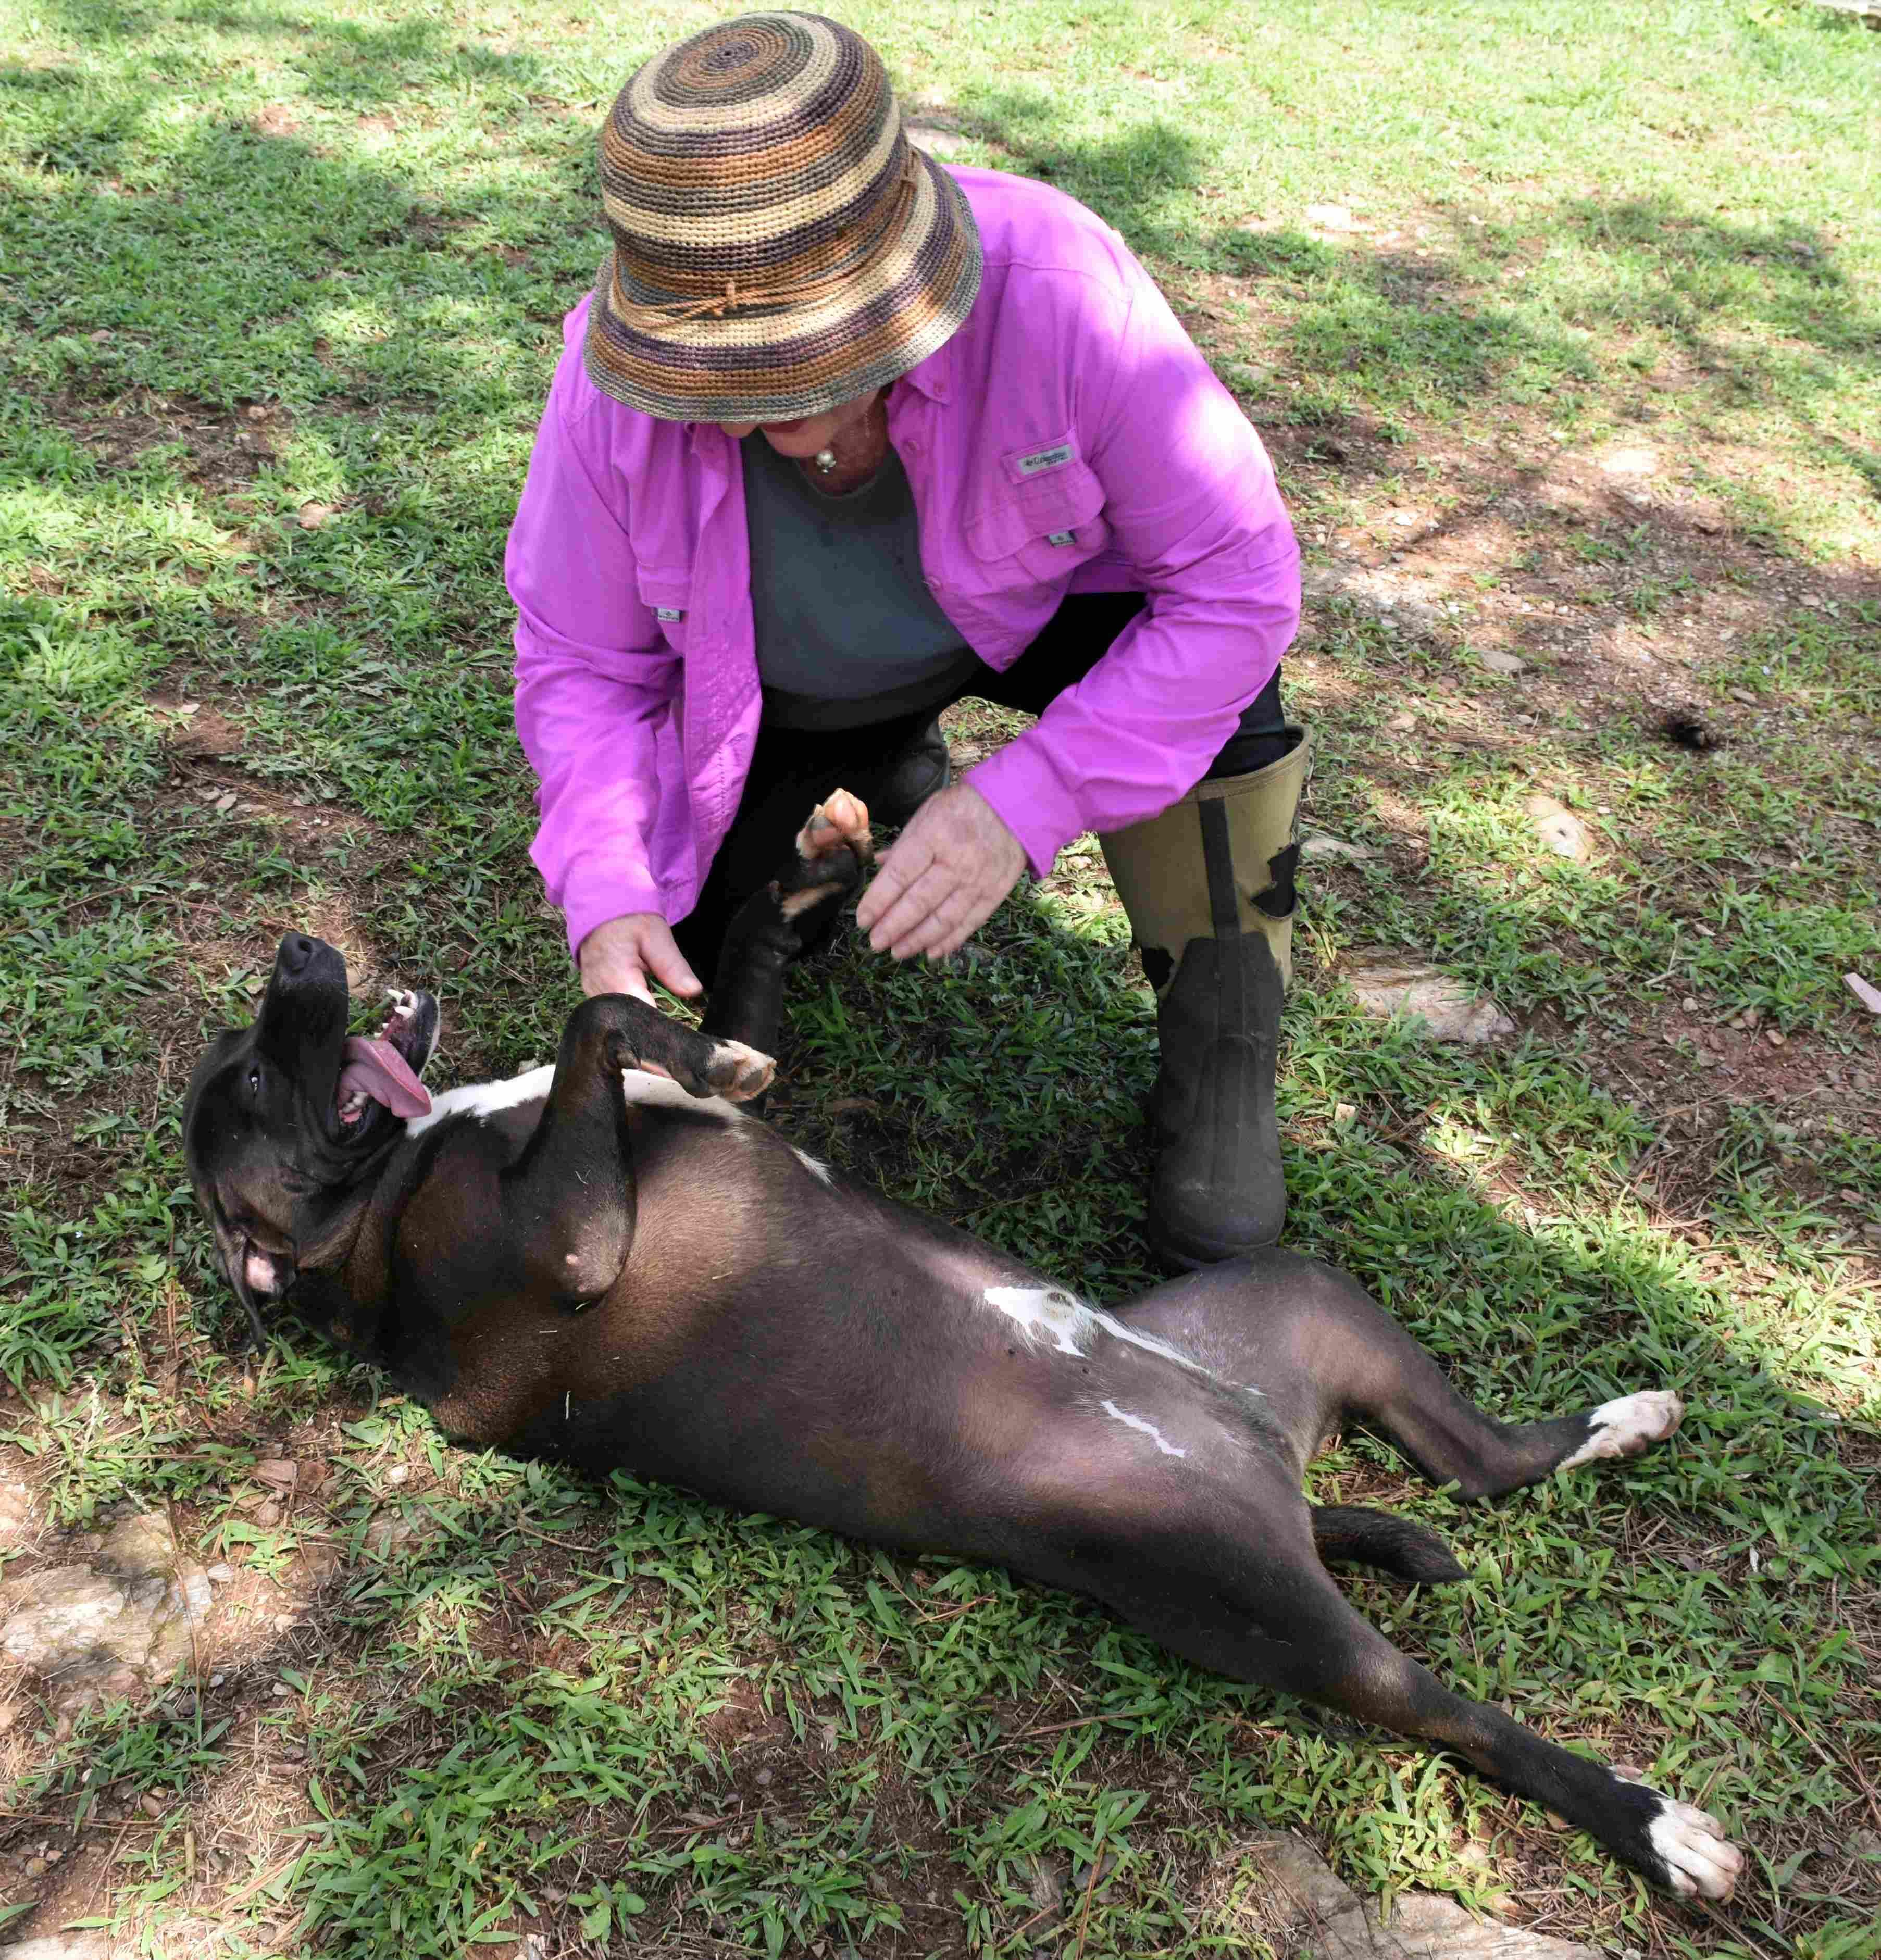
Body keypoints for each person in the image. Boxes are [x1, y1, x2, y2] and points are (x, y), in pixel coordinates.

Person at [506, 11, 1309, 1270]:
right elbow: (584, 663)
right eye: (727, 372)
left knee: (1224, 694)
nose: (768, 405)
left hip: (1058, 605)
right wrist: (603, 877)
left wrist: (1030, 798)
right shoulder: (607, 393)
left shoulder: (1059, 288)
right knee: (702, 954)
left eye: (807, 359)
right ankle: (870, 789)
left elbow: (1236, 586)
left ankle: (1223, 1030)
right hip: (796, 674)